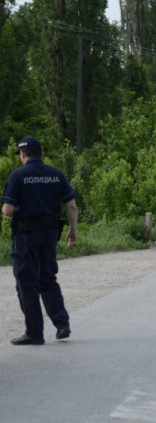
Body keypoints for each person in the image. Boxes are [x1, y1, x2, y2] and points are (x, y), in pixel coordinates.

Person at [1, 136, 77, 345]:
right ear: (42, 154)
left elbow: (7, 210)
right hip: (50, 234)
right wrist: (73, 231)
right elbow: (71, 206)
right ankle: (62, 324)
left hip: (26, 235)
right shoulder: (56, 174)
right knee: (47, 278)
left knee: (26, 282)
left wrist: (24, 210)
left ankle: (34, 333)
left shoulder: (18, 176)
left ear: (22, 154)